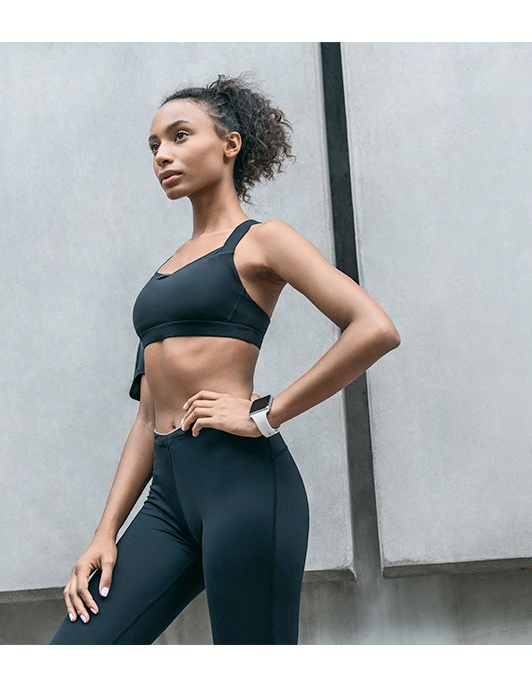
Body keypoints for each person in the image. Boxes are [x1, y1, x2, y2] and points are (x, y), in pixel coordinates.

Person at [49, 72, 401, 645]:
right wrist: (105, 532)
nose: (163, 154)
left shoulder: (262, 240)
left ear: (230, 144)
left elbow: (374, 328)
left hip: (245, 487)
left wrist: (266, 412)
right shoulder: (166, 267)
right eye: (155, 145)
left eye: (180, 136)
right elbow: (147, 415)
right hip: (167, 497)